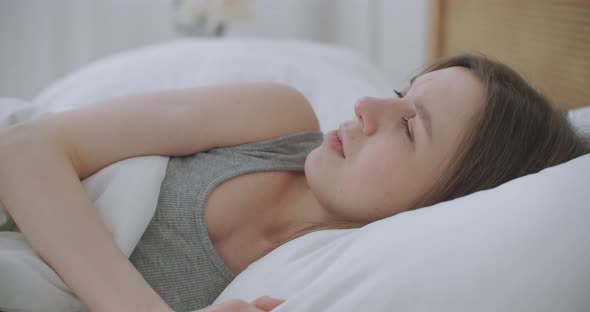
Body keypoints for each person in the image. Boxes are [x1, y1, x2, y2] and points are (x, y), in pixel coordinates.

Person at [0, 54, 588, 312]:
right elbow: (25, 149)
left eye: (409, 130)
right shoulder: (275, 119)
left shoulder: (324, 286)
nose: (365, 107)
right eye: (401, 93)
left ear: (451, 203)